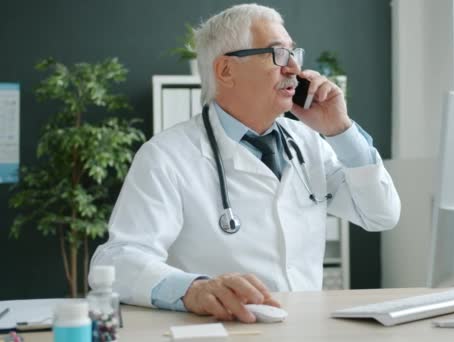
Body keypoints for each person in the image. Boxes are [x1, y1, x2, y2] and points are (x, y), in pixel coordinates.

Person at [90, 3, 400, 323]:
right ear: (226, 70)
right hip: (224, 330)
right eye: (278, 54)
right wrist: (193, 290)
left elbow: (381, 215)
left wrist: (340, 129)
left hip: (305, 328)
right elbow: (118, 262)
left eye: (295, 53)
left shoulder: (309, 142)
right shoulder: (166, 157)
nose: (294, 67)